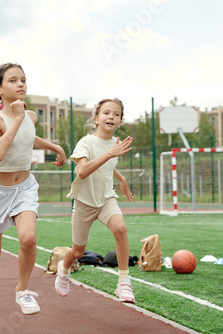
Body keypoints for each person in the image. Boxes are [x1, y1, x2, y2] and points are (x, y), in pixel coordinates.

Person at [0, 63, 66, 334]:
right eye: (13, 80)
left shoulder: (31, 116)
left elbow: (28, 138)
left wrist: (55, 146)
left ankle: (22, 290)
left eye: (23, 79)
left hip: (24, 187)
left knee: (29, 239)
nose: (21, 84)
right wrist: (17, 118)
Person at [54, 98, 136, 303]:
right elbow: (82, 171)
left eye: (116, 114)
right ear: (96, 118)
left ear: (120, 121)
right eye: (106, 113)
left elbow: (108, 164)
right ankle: (64, 268)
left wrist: (122, 178)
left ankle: (124, 282)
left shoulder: (115, 143)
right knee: (78, 251)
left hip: (106, 199)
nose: (111, 117)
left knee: (120, 228)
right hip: (84, 202)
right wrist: (110, 154)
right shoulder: (87, 142)